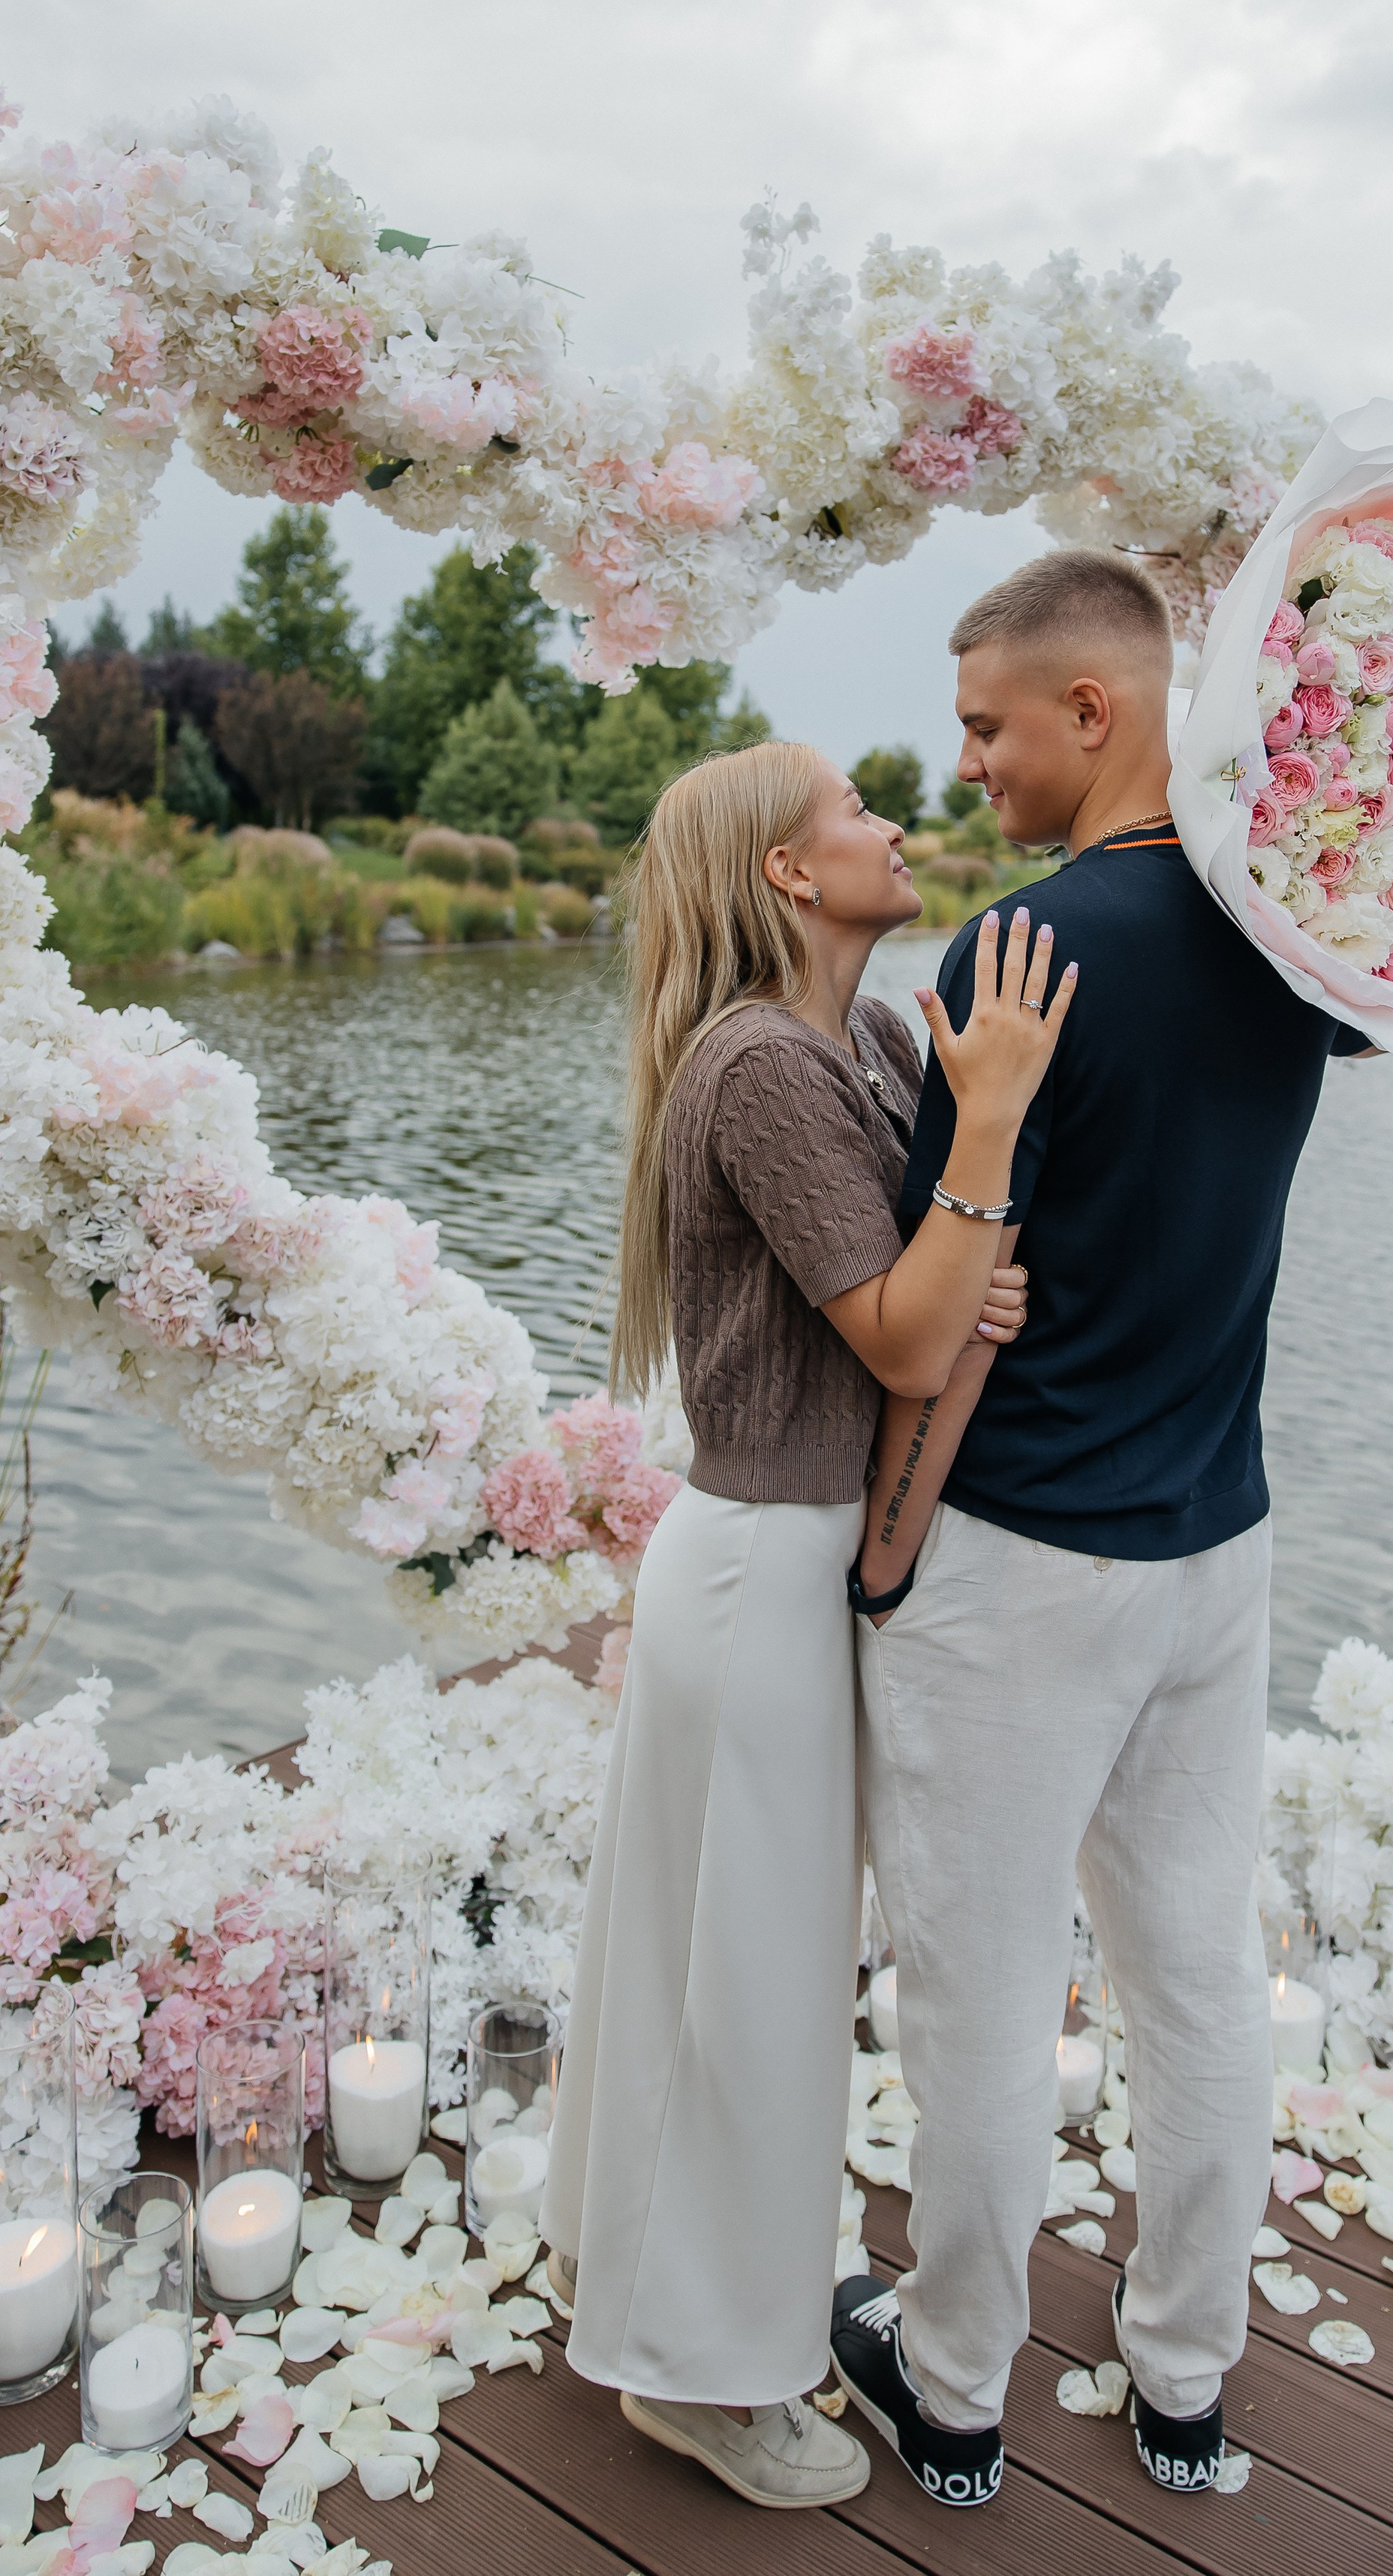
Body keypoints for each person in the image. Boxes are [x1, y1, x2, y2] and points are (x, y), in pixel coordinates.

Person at [829, 549, 1370, 2508]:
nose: (965, 761)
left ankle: (956, 2382)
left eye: (986, 723)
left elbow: (938, 1317)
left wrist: (884, 1549)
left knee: (977, 1990)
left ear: (1096, 708)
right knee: (1197, 1977)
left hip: (1029, 1558)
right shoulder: (1299, 940)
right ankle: (1182, 2383)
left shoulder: (1019, 956)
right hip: (1218, 1548)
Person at [540, 738, 1074, 2510]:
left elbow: (931, 1284)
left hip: (775, 1560)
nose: (894, 822)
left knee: (727, 1973)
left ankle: (663, 2294)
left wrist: (956, 1236)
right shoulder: (760, 1066)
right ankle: (701, 2378)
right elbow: (911, 1337)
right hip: (763, 1566)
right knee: (754, 1997)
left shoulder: (844, 1040)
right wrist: (972, 1195)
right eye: (853, 811)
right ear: (783, 870)